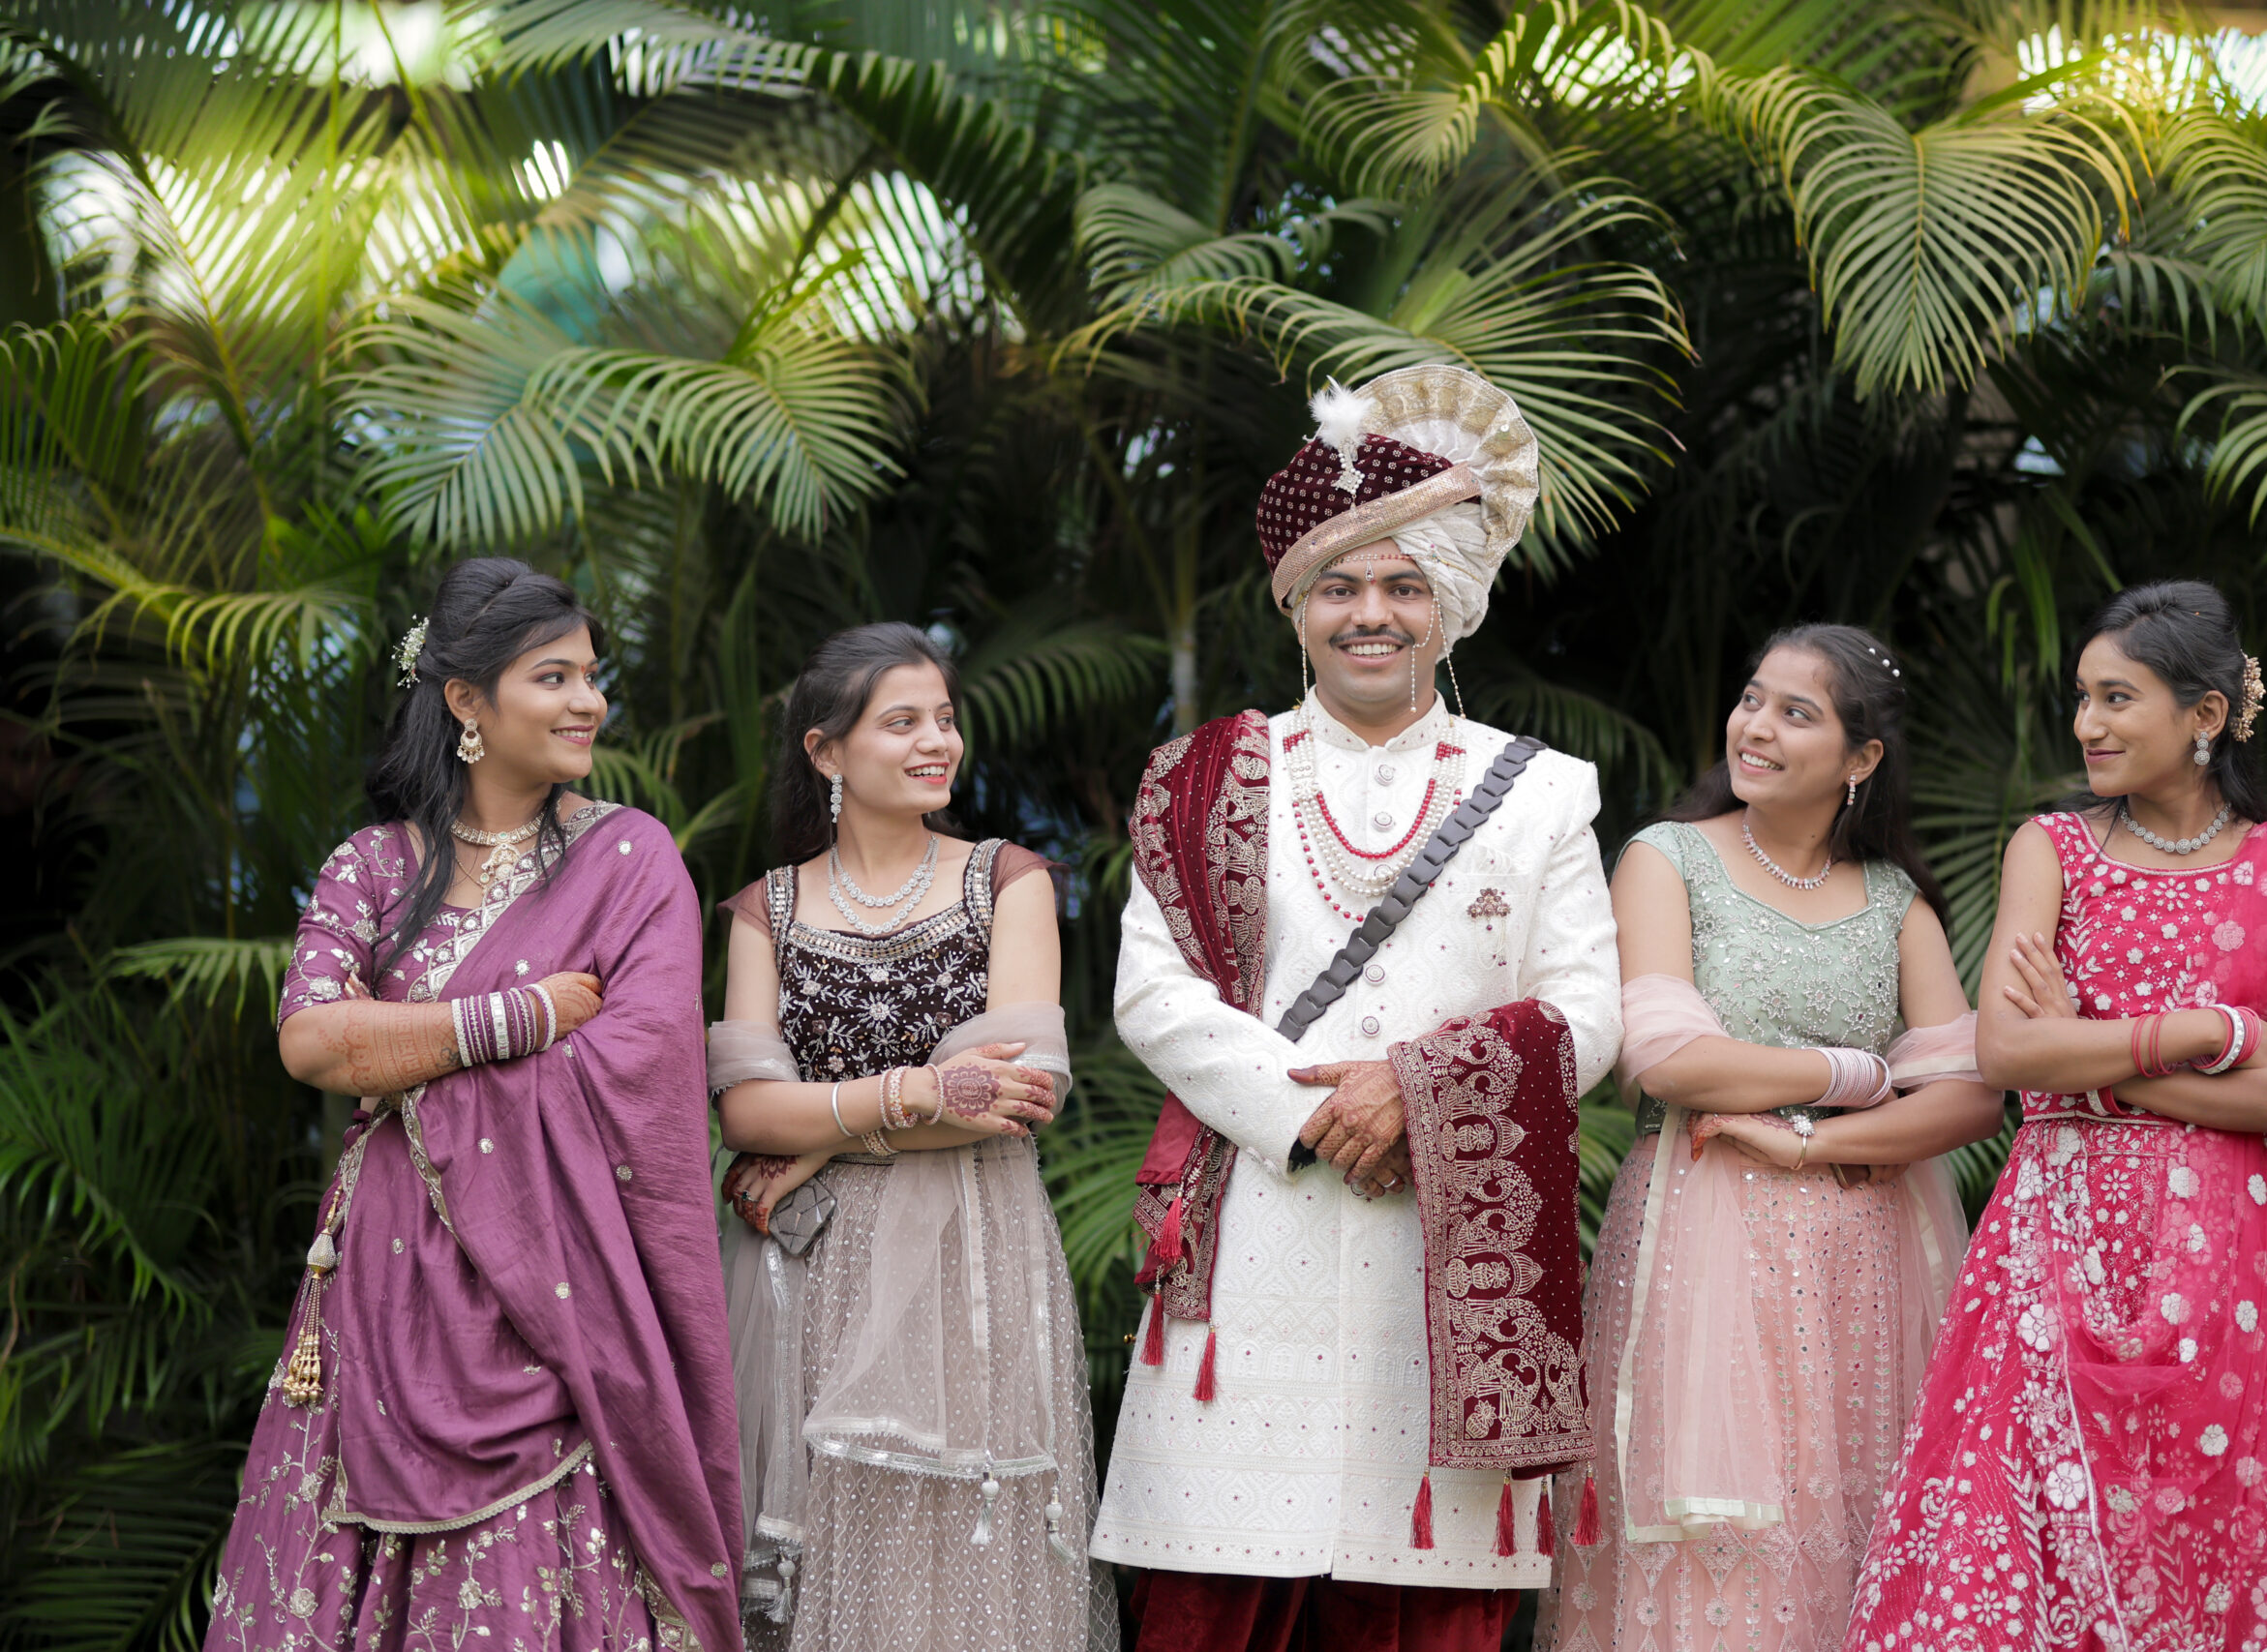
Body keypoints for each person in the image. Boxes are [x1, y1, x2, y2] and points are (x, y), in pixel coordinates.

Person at [1091, 365, 1623, 1652]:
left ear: (1451, 605)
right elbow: (1151, 991)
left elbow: (1589, 1008)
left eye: (1403, 586)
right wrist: (1319, 1116)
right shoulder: (1204, 775)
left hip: (1444, 1262)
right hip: (1252, 1240)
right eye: (1338, 586)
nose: (1370, 614)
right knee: (1213, 1599)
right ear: (1296, 605)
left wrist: (1416, 1095)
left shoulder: (1543, 791)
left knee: (1421, 1603)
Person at [1844, 582, 2267, 1652]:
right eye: (2082, 697)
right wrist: (2204, 1031)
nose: (2088, 723)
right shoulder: (2051, 849)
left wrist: (2089, 1059)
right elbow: (2008, 1053)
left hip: (2238, 1270)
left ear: (2204, 714)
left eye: (2116, 698)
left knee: (2228, 1533)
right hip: (2058, 1247)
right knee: (2023, 1531)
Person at [209, 559, 742, 1652]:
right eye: (554, 677)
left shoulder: (631, 860)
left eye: (591, 676)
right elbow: (312, 1038)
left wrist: (402, 1050)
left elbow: (640, 1071)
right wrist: (522, 1016)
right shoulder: (373, 865)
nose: (588, 702)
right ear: (466, 700)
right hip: (387, 1287)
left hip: (557, 1292)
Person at [1534, 625, 2001, 1652]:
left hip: (1866, 1261)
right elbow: (1669, 1059)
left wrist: (1810, 1146)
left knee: (1859, 1519)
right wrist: (1859, 1077)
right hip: (1702, 1246)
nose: (1755, 727)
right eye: (1753, 699)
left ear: (1860, 757)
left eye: (1796, 713)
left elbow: (1971, 1098)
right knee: (1723, 1543)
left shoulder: (1894, 903)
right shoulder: (1667, 859)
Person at [706, 622, 1117, 1652]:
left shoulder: (1007, 879)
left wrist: (823, 1131)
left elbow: (1014, 1095)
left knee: (969, 1536)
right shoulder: (765, 911)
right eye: (902, 722)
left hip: (971, 1249)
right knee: (832, 1540)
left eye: (944, 717)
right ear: (825, 751)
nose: (938, 740)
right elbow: (745, 1113)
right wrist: (916, 1095)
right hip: (814, 1266)